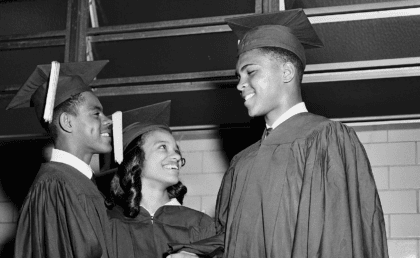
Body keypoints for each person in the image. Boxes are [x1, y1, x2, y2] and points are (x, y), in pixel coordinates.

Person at [168, 9, 389, 258]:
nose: (240, 84)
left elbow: (340, 240)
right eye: (238, 76)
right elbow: (232, 238)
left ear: (286, 72)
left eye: (251, 72)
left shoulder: (326, 139)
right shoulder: (242, 163)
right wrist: (194, 254)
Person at [7, 60, 115, 258]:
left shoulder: (79, 182)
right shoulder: (55, 186)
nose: (108, 121)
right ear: (67, 122)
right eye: (96, 113)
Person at [100, 101, 216, 258]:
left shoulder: (200, 224)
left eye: (177, 150)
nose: (176, 156)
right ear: (136, 159)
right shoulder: (108, 224)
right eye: (162, 147)